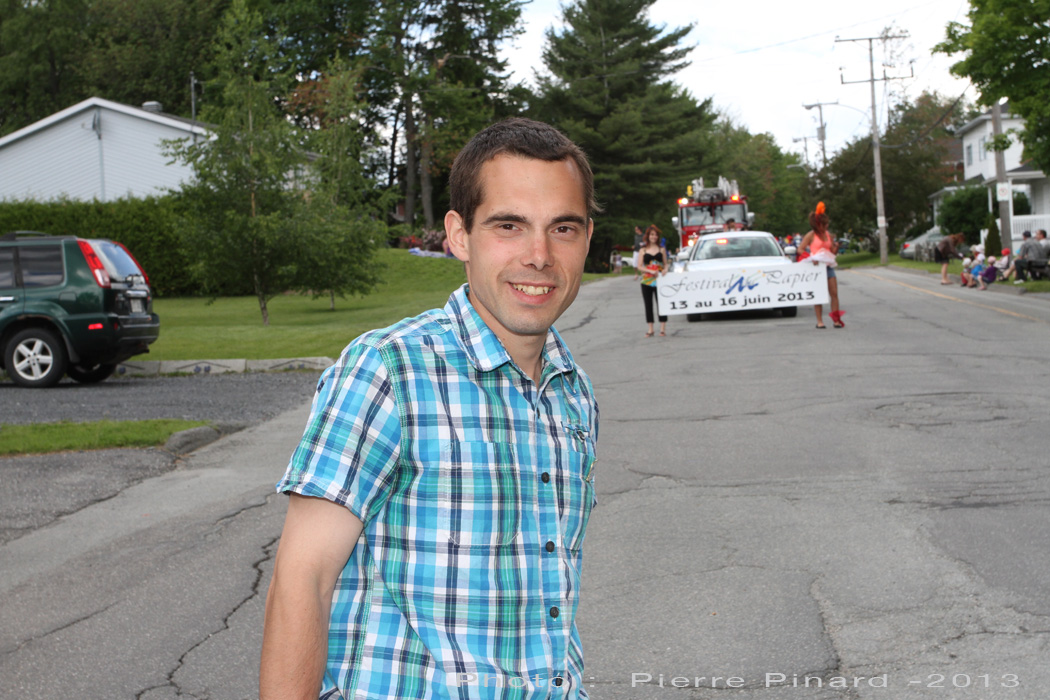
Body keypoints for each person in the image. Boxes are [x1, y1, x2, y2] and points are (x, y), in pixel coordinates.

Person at [260, 118, 600, 700]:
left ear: (587, 237)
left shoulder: (574, 393)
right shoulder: (388, 370)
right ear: (460, 235)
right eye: (509, 226)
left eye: (562, 228)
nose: (539, 255)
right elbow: (303, 581)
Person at [800, 202, 843, 328]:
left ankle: (836, 319)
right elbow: (800, 249)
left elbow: (832, 251)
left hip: (828, 266)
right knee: (819, 294)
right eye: (824, 224)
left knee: (834, 293)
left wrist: (836, 247)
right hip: (816, 267)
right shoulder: (811, 235)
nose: (826, 226)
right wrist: (810, 258)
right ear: (818, 225)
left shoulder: (828, 235)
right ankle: (819, 321)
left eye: (827, 224)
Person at [638, 224, 668, 337]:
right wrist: (650, 271)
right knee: (648, 304)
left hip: (660, 281)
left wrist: (665, 269)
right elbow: (639, 266)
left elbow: (666, 264)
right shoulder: (643, 250)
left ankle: (662, 328)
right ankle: (650, 328)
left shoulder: (662, 249)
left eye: (655, 235)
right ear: (648, 236)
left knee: (661, 303)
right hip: (647, 281)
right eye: (652, 234)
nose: (653, 237)